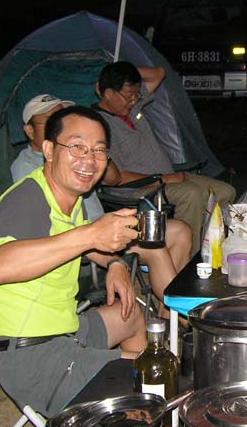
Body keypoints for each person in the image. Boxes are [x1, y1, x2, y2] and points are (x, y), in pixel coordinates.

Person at [0, 105, 147, 417]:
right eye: (77, 147)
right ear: (48, 150)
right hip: (32, 356)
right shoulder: (28, 199)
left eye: (99, 150)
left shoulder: (70, 198)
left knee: (132, 315)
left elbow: (83, 242)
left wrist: (115, 264)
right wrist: (92, 234)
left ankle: (129, 414)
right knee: (154, 374)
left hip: (66, 330)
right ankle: (128, 410)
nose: (89, 159)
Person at [11, 94, 192, 308]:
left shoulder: (83, 158)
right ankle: (182, 315)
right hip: (82, 243)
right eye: (49, 120)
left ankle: (166, 316)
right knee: (155, 246)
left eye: (62, 117)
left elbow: (114, 178)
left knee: (179, 231)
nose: (57, 124)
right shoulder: (26, 168)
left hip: (105, 227)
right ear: (30, 131)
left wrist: (96, 152)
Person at [94, 61, 235, 255]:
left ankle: (206, 246)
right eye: (129, 95)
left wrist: (119, 71)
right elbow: (116, 178)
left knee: (225, 192)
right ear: (108, 93)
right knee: (191, 195)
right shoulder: (98, 125)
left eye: (136, 94)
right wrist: (163, 179)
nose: (134, 100)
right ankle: (187, 259)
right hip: (136, 189)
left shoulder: (132, 108)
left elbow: (159, 73)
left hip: (168, 178)